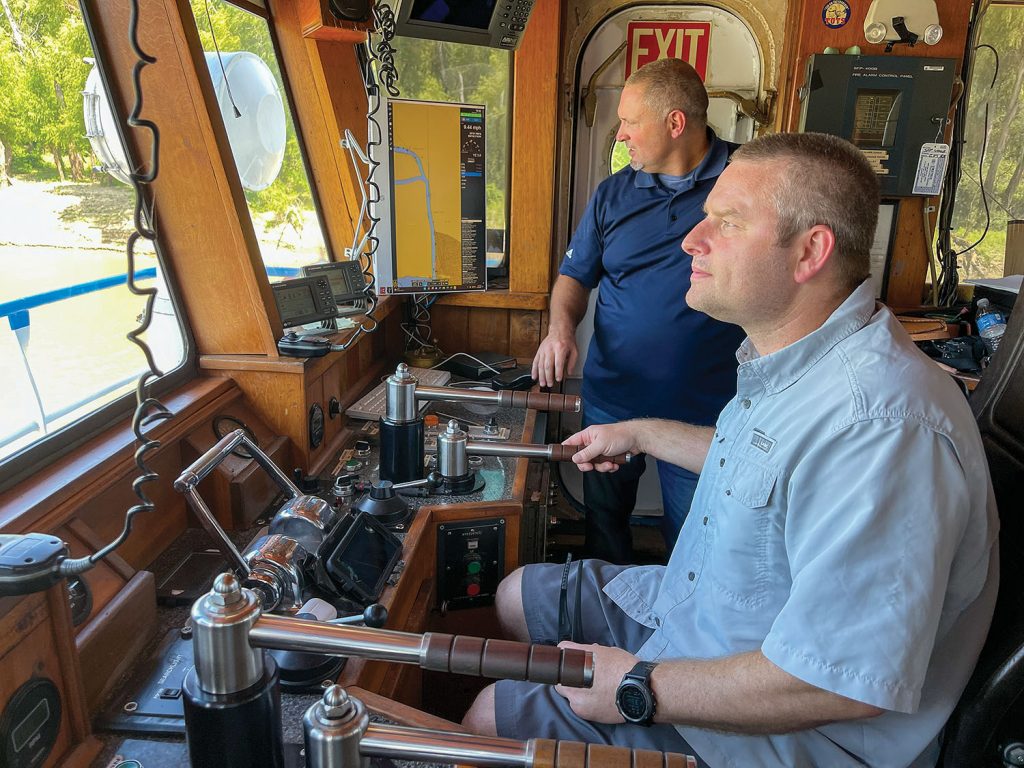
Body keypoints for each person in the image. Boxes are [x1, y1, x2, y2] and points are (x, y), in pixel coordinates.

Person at [465, 132, 1000, 767]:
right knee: (515, 596)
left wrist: (638, 687)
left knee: (489, 717)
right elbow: (766, 459)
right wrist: (640, 433)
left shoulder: (883, 426)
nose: (693, 240)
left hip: (795, 730)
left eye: (728, 222)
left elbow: (837, 680)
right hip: (706, 615)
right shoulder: (802, 357)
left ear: (809, 252)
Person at [532, 58, 746, 563]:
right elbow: (574, 277)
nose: (621, 134)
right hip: (614, 398)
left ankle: (680, 639)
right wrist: (560, 331)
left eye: (630, 121)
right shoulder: (613, 194)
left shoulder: (746, 182)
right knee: (603, 527)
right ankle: (605, 627)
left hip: (706, 411)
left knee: (697, 547)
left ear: (675, 123)